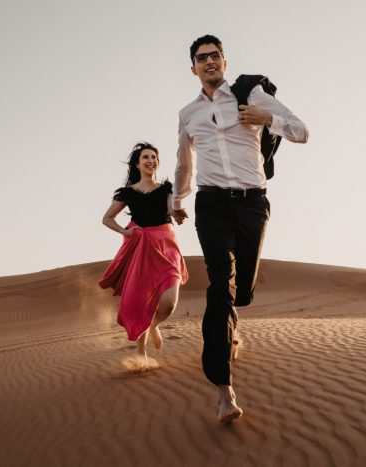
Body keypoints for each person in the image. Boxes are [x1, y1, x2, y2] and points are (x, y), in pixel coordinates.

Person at [171, 35, 309, 422]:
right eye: (202, 58)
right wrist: (176, 202)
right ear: (193, 68)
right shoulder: (187, 114)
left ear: (224, 62)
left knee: (241, 293)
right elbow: (184, 163)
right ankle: (224, 391)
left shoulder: (252, 94)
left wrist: (268, 120)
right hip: (210, 204)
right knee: (220, 288)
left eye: (215, 56)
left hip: (252, 205)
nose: (210, 62)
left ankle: (231, 324)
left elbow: (301, 130)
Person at [99, 142, 189, 372]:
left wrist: (177, 211)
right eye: (146, 157)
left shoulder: (167, 188)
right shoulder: (128, 193)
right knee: (142, 301)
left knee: (168, 304)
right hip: (141, 246)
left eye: (154, 157)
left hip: (166, 245)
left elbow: (171, 209)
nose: (151, 160)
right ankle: (141, 355)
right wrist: (123, 231)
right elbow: (107, 218)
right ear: (138, 164)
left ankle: (152, 325)